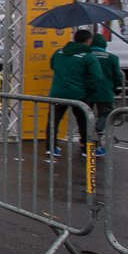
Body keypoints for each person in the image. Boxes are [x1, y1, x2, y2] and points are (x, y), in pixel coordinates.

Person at [46, 28, 104, 157]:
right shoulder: (88, 57)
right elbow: (97, 77)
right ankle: (87, 148)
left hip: (58, 92)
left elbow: (52, 65)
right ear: (88, 40)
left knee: (53, 121)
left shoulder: (59, 52)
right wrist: (88, 90)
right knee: (84, 121)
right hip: (79, 94)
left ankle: (50, 147)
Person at [87, 33, 124, 155]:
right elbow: (117, 77)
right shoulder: (112, 58)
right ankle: (98, 132)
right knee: (105, 114)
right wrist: (114, 88)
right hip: (106, 91)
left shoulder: (86, 56)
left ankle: (87, 141)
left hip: (88, 91)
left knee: (86, 115)